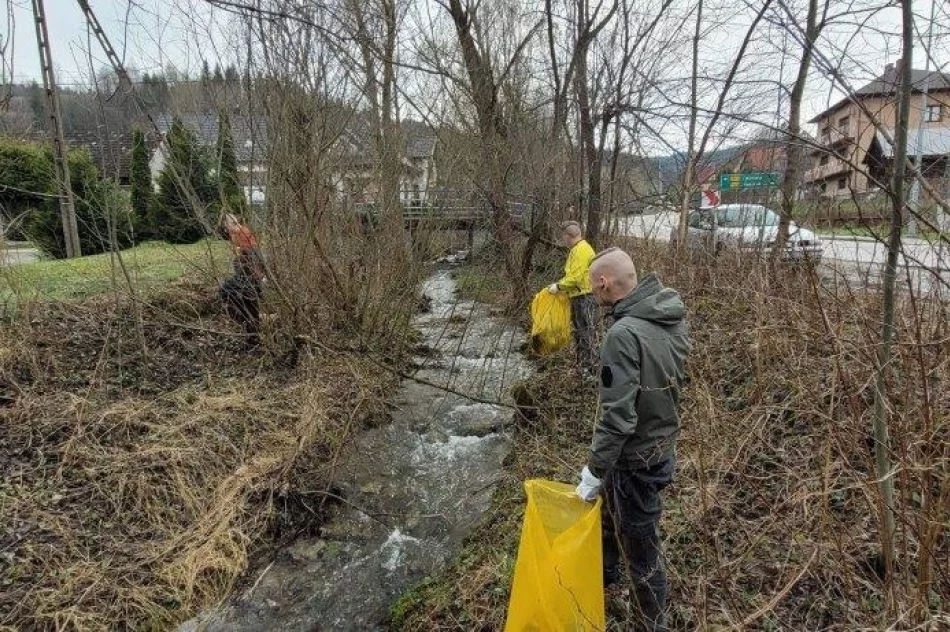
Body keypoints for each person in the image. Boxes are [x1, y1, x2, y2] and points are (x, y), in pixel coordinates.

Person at [575, 247, 690, 632]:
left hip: (635, 460)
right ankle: (603, 580)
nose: (592, 293)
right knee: (610, 522)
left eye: (593, 286)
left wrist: (594, 470)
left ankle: (652, 624)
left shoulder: (621, 334)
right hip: (662, 448)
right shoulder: (669, 316)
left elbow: (618, 418)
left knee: (643, 553)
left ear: (604, 283)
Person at [546, 221, 597, 376]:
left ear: (568, 236)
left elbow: (575, 277)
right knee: (581, 332)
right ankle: (582, 367)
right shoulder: (579, 249)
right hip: (579, 295)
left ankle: (589, 368)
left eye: (563, 237)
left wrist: (559, 286)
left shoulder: (581, 250)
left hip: (584, 296)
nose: (563, 240)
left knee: (586, 332)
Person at [219, 214, 265, 347]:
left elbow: (254, 255)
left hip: (250, 278)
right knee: (246, 306)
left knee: (227, 292)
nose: (225, 228)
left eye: (226, 225)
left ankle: (253, 338)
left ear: (232, 223)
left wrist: (258, 276)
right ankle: (251, 336)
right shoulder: (235, 235)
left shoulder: (244, 233)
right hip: (245, 276)